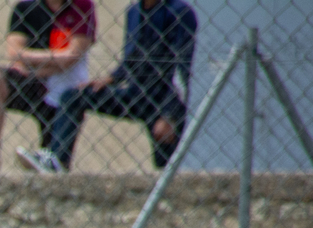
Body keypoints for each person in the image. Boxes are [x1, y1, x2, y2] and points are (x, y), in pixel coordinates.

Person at [23, 0, 198, 174]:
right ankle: (57, 162)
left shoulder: (180, 12)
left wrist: (169, 116)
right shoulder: (134, 11)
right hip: (136, 95)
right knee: (73, 96)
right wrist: (109, 79)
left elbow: (181, 72)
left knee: (165, 169)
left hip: (165, 101)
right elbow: (131, 59)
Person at [0, 0, 97, 173]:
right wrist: (54, 61)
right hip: (34, 84)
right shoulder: (26, 8)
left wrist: (33, 63)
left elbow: (71, 57)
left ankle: (49, 161)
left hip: (65, 94)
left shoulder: (81, 6)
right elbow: (14, 54)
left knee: (54, 167)